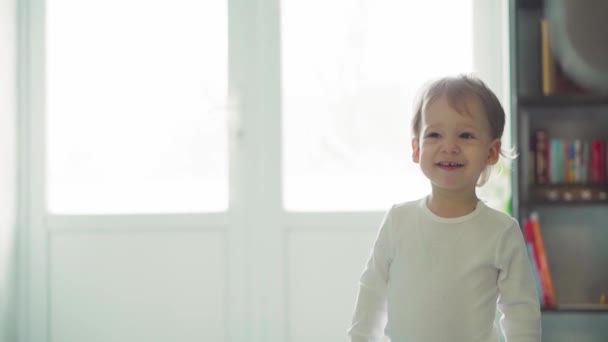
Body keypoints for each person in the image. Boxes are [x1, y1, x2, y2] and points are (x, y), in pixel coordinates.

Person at [348, 75, 541, 342]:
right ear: (416, 148)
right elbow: (372, 295)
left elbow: (521, 313)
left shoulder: (501, 231)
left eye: (466, 135)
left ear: (491, 152)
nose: (449, 147)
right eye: (435, 134)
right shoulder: (398, 221)